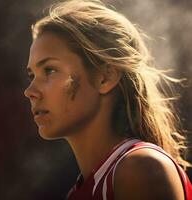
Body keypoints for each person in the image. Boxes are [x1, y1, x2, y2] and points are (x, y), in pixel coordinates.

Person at [23, 0, 192, 199]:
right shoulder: (82, 189)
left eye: (50, 70)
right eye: (32, 75)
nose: (30, 91)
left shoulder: (139, 169)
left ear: (105, 77)